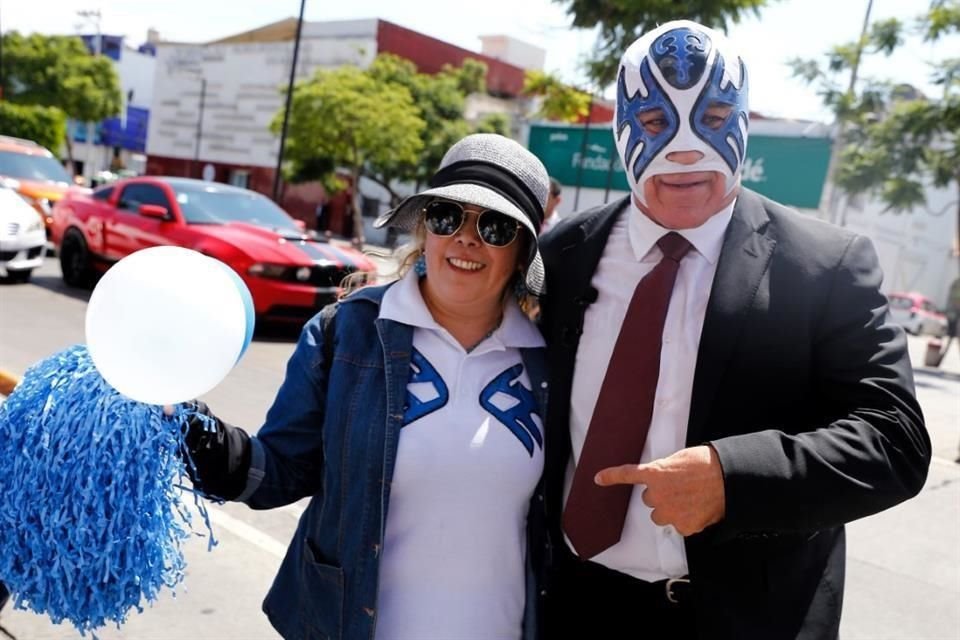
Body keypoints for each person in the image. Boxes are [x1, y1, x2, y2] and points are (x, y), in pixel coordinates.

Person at [537, 19, 930, 639]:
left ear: (746, 120)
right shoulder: (562, 254)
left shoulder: (823, 265)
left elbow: (896, 442)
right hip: (578, 606)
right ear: (622, 125)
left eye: (716, 114)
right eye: (657, 123)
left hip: (748, 617)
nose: (687, 150)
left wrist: (734, 479)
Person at [177, 133, 552, 640]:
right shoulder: (346, 333)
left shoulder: (549, 360)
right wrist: (186, 427)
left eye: (495, 226)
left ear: (522, 250)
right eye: (447, 216)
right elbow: (279, 471)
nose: (466, 238)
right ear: (425, 228)